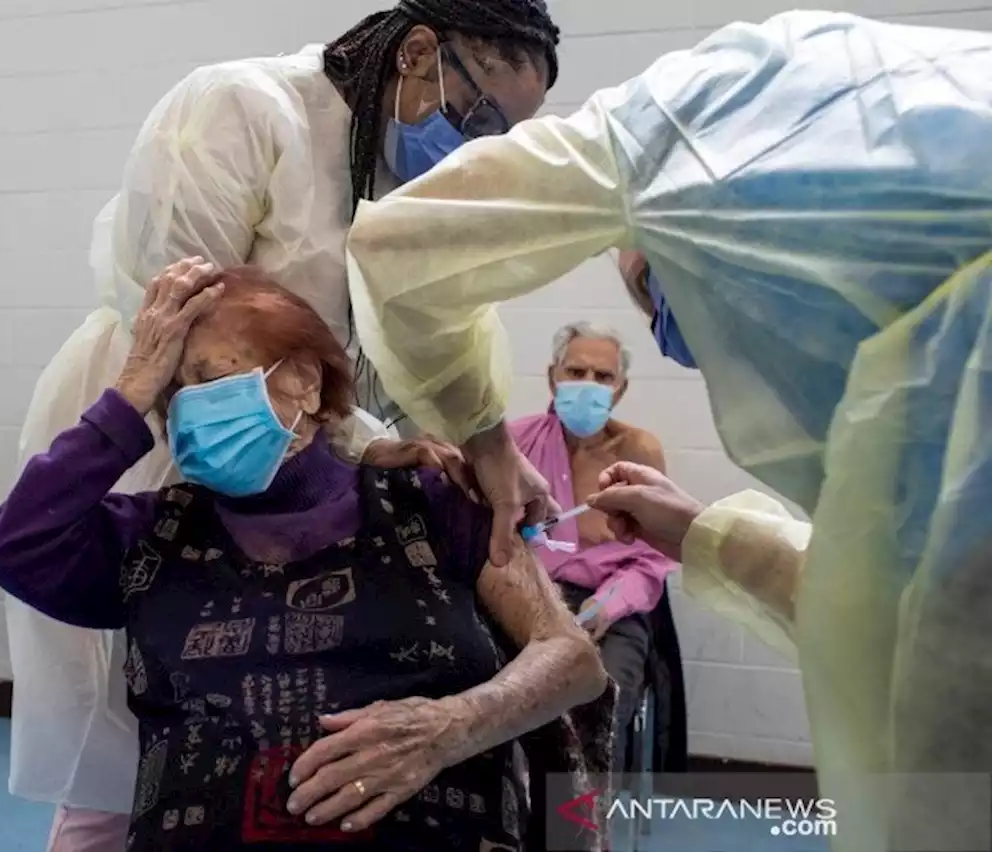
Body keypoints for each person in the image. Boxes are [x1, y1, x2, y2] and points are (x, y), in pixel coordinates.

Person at [343, 11, 992, 850]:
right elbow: (891, 599)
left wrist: (487, 444)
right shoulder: (934, 449)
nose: (677, 346)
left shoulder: (705, 126)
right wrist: (704, 535)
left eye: (660, 298)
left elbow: (405, 249)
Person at [7, 1, 562, 846]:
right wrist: (359, 436)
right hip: (174, 438)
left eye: (501, 138)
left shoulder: (406, 182)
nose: (475, 148)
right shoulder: (239, 110)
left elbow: (446, 318)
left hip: (309, 453)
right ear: (419, 53)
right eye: (479, 114)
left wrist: (486, 441)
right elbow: (200, 329)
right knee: (141, 738)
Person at [0, 260, 611, 852]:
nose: (186, 410)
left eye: (208, 378)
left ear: (304, 380)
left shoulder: (428, 500)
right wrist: (126, 395)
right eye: (168, 396)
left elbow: (572, 659)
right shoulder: (154, 537)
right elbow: (15, 545)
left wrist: (449, 726)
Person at [510, 321, 676, 778]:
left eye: (602, 378)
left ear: (620, 390)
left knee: (598, 703)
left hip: (608, 607)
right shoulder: (514, 442)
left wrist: (604, 608)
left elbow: (651, 559)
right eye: (575, 371)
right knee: (492, 693)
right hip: (528, 595)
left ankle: (576, 828)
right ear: (552, 377)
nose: (588, 386)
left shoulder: (638, 452)